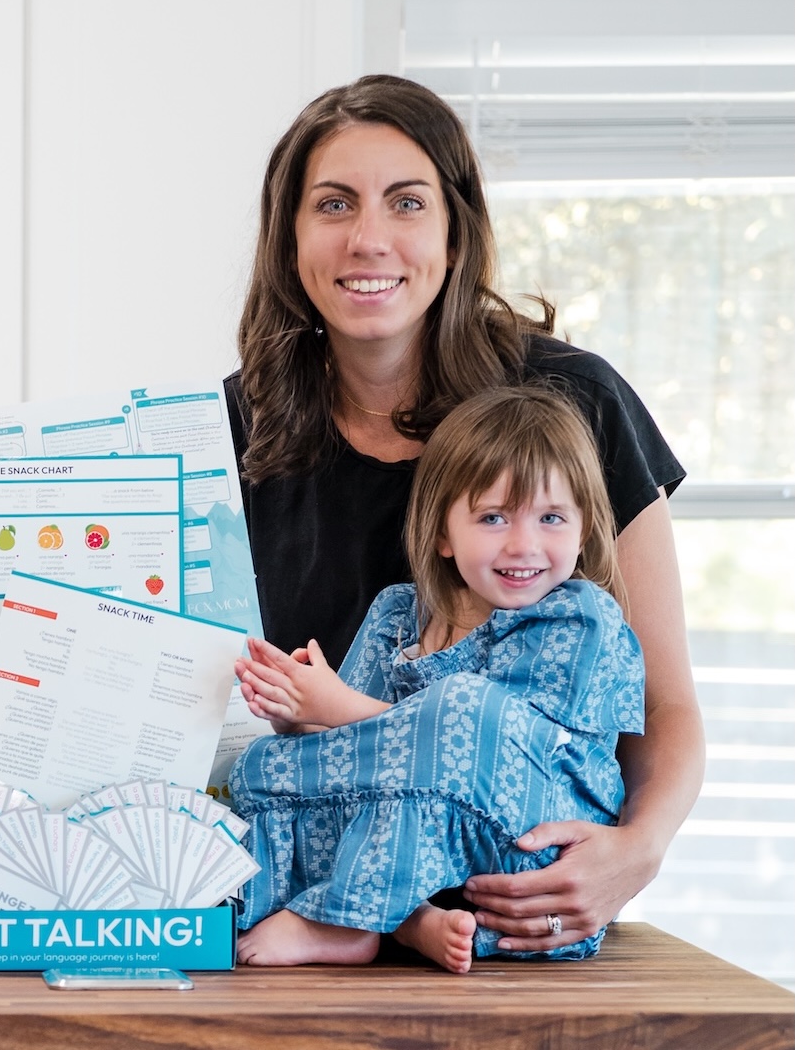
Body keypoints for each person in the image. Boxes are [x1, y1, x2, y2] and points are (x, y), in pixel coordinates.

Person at [224, 73, 701, 955]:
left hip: (515, 902)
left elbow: (663, 702)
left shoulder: (573, 404)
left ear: (455, 228)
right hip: (303, 914)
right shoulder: (231, 432)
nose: (368, 239)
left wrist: (635, 851)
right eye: (333, 204)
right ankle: (367, 917)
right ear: (290, 237)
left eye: (405, 202)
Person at [229, 386, 643, 971]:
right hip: (430, 852)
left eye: (552, 518)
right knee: (263, 765)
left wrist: (339, 706)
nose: (524, 544)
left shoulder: (578, 617)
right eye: (493, 517)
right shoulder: (401, 615)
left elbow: (486, 745)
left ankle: (338, 918)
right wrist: (298, 712)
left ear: (582, 530)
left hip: (530, 847)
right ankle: (405, 921)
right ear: (444, 533)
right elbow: (361, 751)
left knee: (463, 710)